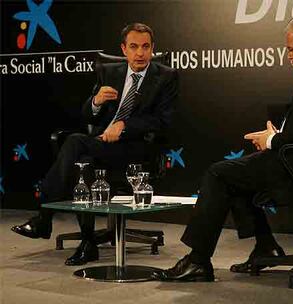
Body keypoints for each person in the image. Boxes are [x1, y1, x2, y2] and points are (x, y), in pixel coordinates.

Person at [155, 15, 293, 282]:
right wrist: (276, 136)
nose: (288, 56)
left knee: (220, 174)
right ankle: (265, 245)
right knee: (236, 174)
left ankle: (198, 260)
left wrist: (271, 141)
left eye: (290, 49)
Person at [11, 23, 179, 266]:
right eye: (134, 47)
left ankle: (43, 218)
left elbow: (164, 121)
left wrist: (125, 127)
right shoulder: (110, 73)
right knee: (85, 164)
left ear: (153, 48)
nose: (140, 53)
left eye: (145, 47)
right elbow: (88, 117)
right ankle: (88, 243)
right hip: (102, 145)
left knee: (75, 141)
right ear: (124, 49)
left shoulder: (166, 77)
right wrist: (96, 102)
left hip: (138, 148)